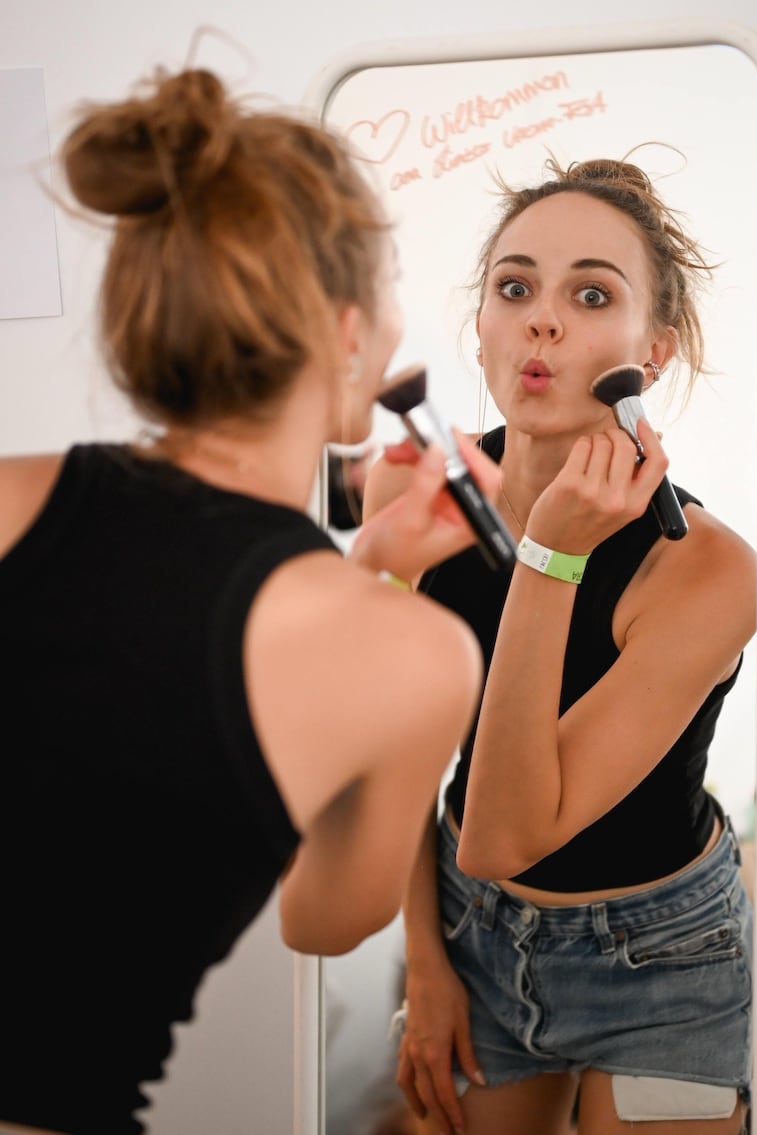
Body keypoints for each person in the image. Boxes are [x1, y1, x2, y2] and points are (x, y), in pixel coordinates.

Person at [0, 64, 504, 1135]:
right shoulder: (415, 658)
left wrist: (363, 554)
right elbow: (322, 919)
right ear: (343, 331)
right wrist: (381, 575)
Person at [363, 156, 757, 1135]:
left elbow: (508, 832)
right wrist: (426, 956)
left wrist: (547, 556)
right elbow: (393, 752)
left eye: (589, 293)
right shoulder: (403, 494)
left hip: (666, 958)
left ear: (650, 351)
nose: (541, 319)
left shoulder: (704, 570)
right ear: (482, 328)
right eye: (513, 287)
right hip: (469, 934)